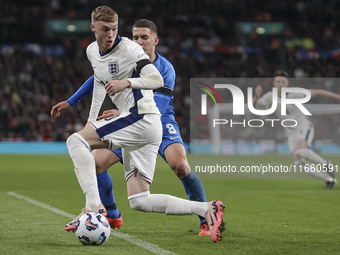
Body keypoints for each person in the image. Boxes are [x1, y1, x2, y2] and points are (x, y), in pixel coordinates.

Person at [51, 6, 225, 242]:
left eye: (114, 29)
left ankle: (93, 208)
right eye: (106, 29)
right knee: (139, 200)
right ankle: (206, 208)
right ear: (93, 28)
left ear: (155, 40)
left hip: (145, 118)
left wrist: (126, 84)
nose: (112, 34)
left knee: (75, 140)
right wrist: (77, 106)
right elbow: (100, 79)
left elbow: (156, 80)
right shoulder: (93, 51)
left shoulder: (133, 51)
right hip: (137, 121)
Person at [253, 70, 339, 189]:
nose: (280, 84)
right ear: (274, 83)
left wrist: (337, 96)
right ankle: (329, 180)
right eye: (278, 81)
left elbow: (318, 92)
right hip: (291, 132)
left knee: (298, 151)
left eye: (283, 81)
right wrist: (256, 96)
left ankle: (326, 163)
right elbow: (255, 106)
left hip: (304, 126)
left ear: (287, 83)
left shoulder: (296, 93)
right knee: (298, 162)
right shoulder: (269, 96)